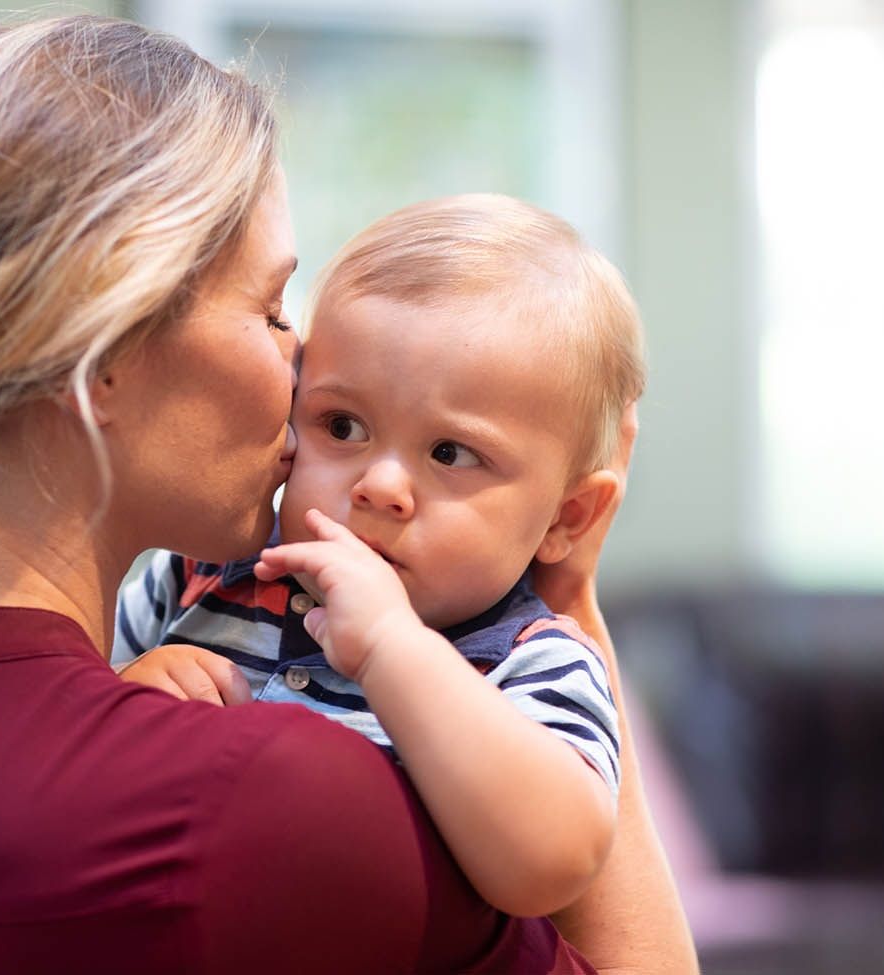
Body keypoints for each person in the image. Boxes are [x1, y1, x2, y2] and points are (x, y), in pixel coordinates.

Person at [0, 15, 695, 975]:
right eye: (273, 309)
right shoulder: (276, 802)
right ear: (103, 365)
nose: (303, 366)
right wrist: (567, 600)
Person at [114, 194, 646, 920]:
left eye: (450, 453)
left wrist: (395, 650)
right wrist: (126, 696)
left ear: (566, 517)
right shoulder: (194, 578)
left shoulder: (531, 663)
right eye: (342, 424)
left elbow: (552, 863)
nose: (381, 484)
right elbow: (64, 751)